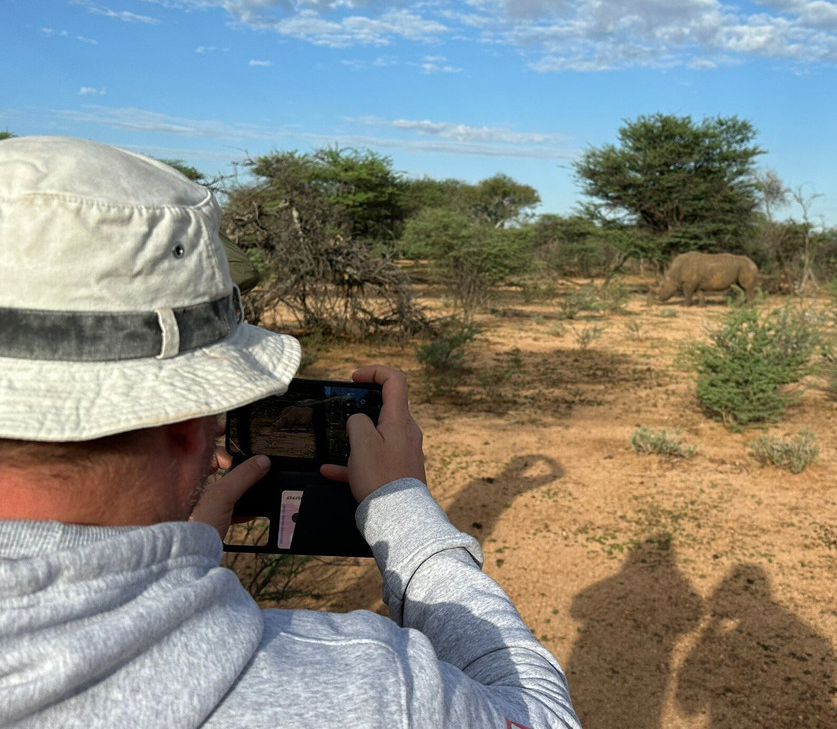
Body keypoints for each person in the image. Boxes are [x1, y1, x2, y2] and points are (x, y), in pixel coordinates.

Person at [0, 136, 580, 729]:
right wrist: (403, 508)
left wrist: (173, 553)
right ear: (187, 423)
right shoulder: (376, 692)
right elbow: (539, 713)